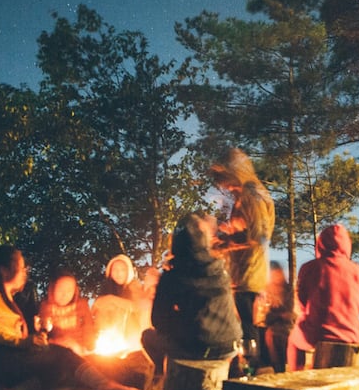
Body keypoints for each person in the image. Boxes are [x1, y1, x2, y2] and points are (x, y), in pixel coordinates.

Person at [0, 245, 141, 390]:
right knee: (63, 355)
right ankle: (104, 385)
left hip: (7, 362)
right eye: (21, 267)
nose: (26, 272)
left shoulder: (9, 298)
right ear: (4, 271)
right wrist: (23, 342)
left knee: (60, 367)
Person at [141, 213, 242, 375]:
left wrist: (183, 324)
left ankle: (164, 378)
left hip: (197, 348)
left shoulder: (173, 276)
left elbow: (158, 320)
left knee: (148, 336)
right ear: (203, 240)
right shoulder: (220, 271)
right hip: (229, 344)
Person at [209, 147, 275, 347]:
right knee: (244, 325)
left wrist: (224, 245)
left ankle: (251, 371)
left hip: (249, 274)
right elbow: (246, 229)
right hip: (241, 273)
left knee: (248, 328)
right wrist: (227, 232)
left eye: (223, 178)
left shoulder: (252, 195)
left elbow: (259, 237)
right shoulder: (244, 195)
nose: (223, 185)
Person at [286, 224, 359, 371]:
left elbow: (302, 301)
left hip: (319, 332)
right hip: (351, 333)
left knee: (293, 339)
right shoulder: (357, 270)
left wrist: (305, 317)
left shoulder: (310, 267)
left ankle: (295, 374)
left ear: (320, 244)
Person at [93, 254, 158, 351]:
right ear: (110, 272)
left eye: (123, 270)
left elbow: (137, 306)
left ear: (128, 271)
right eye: (115, 270)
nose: (119, 273)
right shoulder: (107, 288)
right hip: (111, 331)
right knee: (105, 307)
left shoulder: (134, 285)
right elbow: (95, 307)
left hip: (133, 331)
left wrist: (112, 299)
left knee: (114, 306)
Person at [37, 269, 96, 356]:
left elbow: (88, 328)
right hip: (56, 352)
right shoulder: (46, 307)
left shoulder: (81, 305)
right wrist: (57, 342)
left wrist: (88, 346)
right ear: (53, 289)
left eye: (69, 290)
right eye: (61, 289)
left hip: (80, 352)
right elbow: (43, 335)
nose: (65, 294)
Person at [261, 261, 296, 373]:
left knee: (277, 335)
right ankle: (277, 368)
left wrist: (281, 314)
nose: (275, 276)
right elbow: (263, 313)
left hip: (287, 325)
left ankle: (283, 367)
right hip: (271, 324)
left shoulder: (289, 290)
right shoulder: (266, 289)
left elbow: (292, 314)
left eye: (277, 273)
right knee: (269, 335)